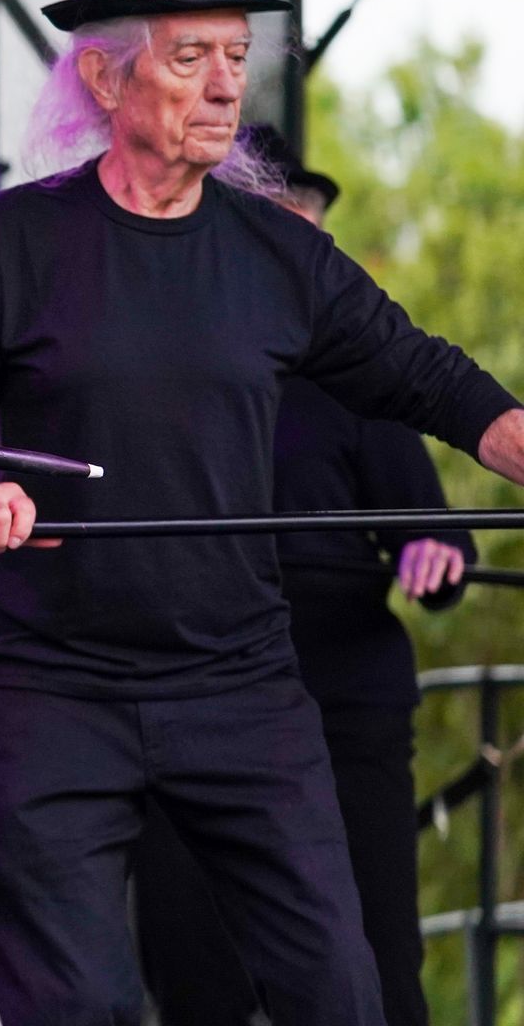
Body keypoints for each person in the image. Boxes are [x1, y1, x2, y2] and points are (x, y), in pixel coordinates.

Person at [0, 0, 524, 1025]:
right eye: (192, 58)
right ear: (104, 74)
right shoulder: (13, 243)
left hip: (240, 687)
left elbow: (437, 383)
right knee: (79, 1002)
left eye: (236, 55)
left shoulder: (282, 254)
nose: (227, 86)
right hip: (53, 690)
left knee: (339, 992)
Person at [133, 128, 468, 1026]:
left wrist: (432, 559)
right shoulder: (160, 371)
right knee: (194, 968)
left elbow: (431, 536)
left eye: (311, 234)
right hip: (186, 691)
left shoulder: (359, 376)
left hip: (338, 696)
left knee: (375, 960)